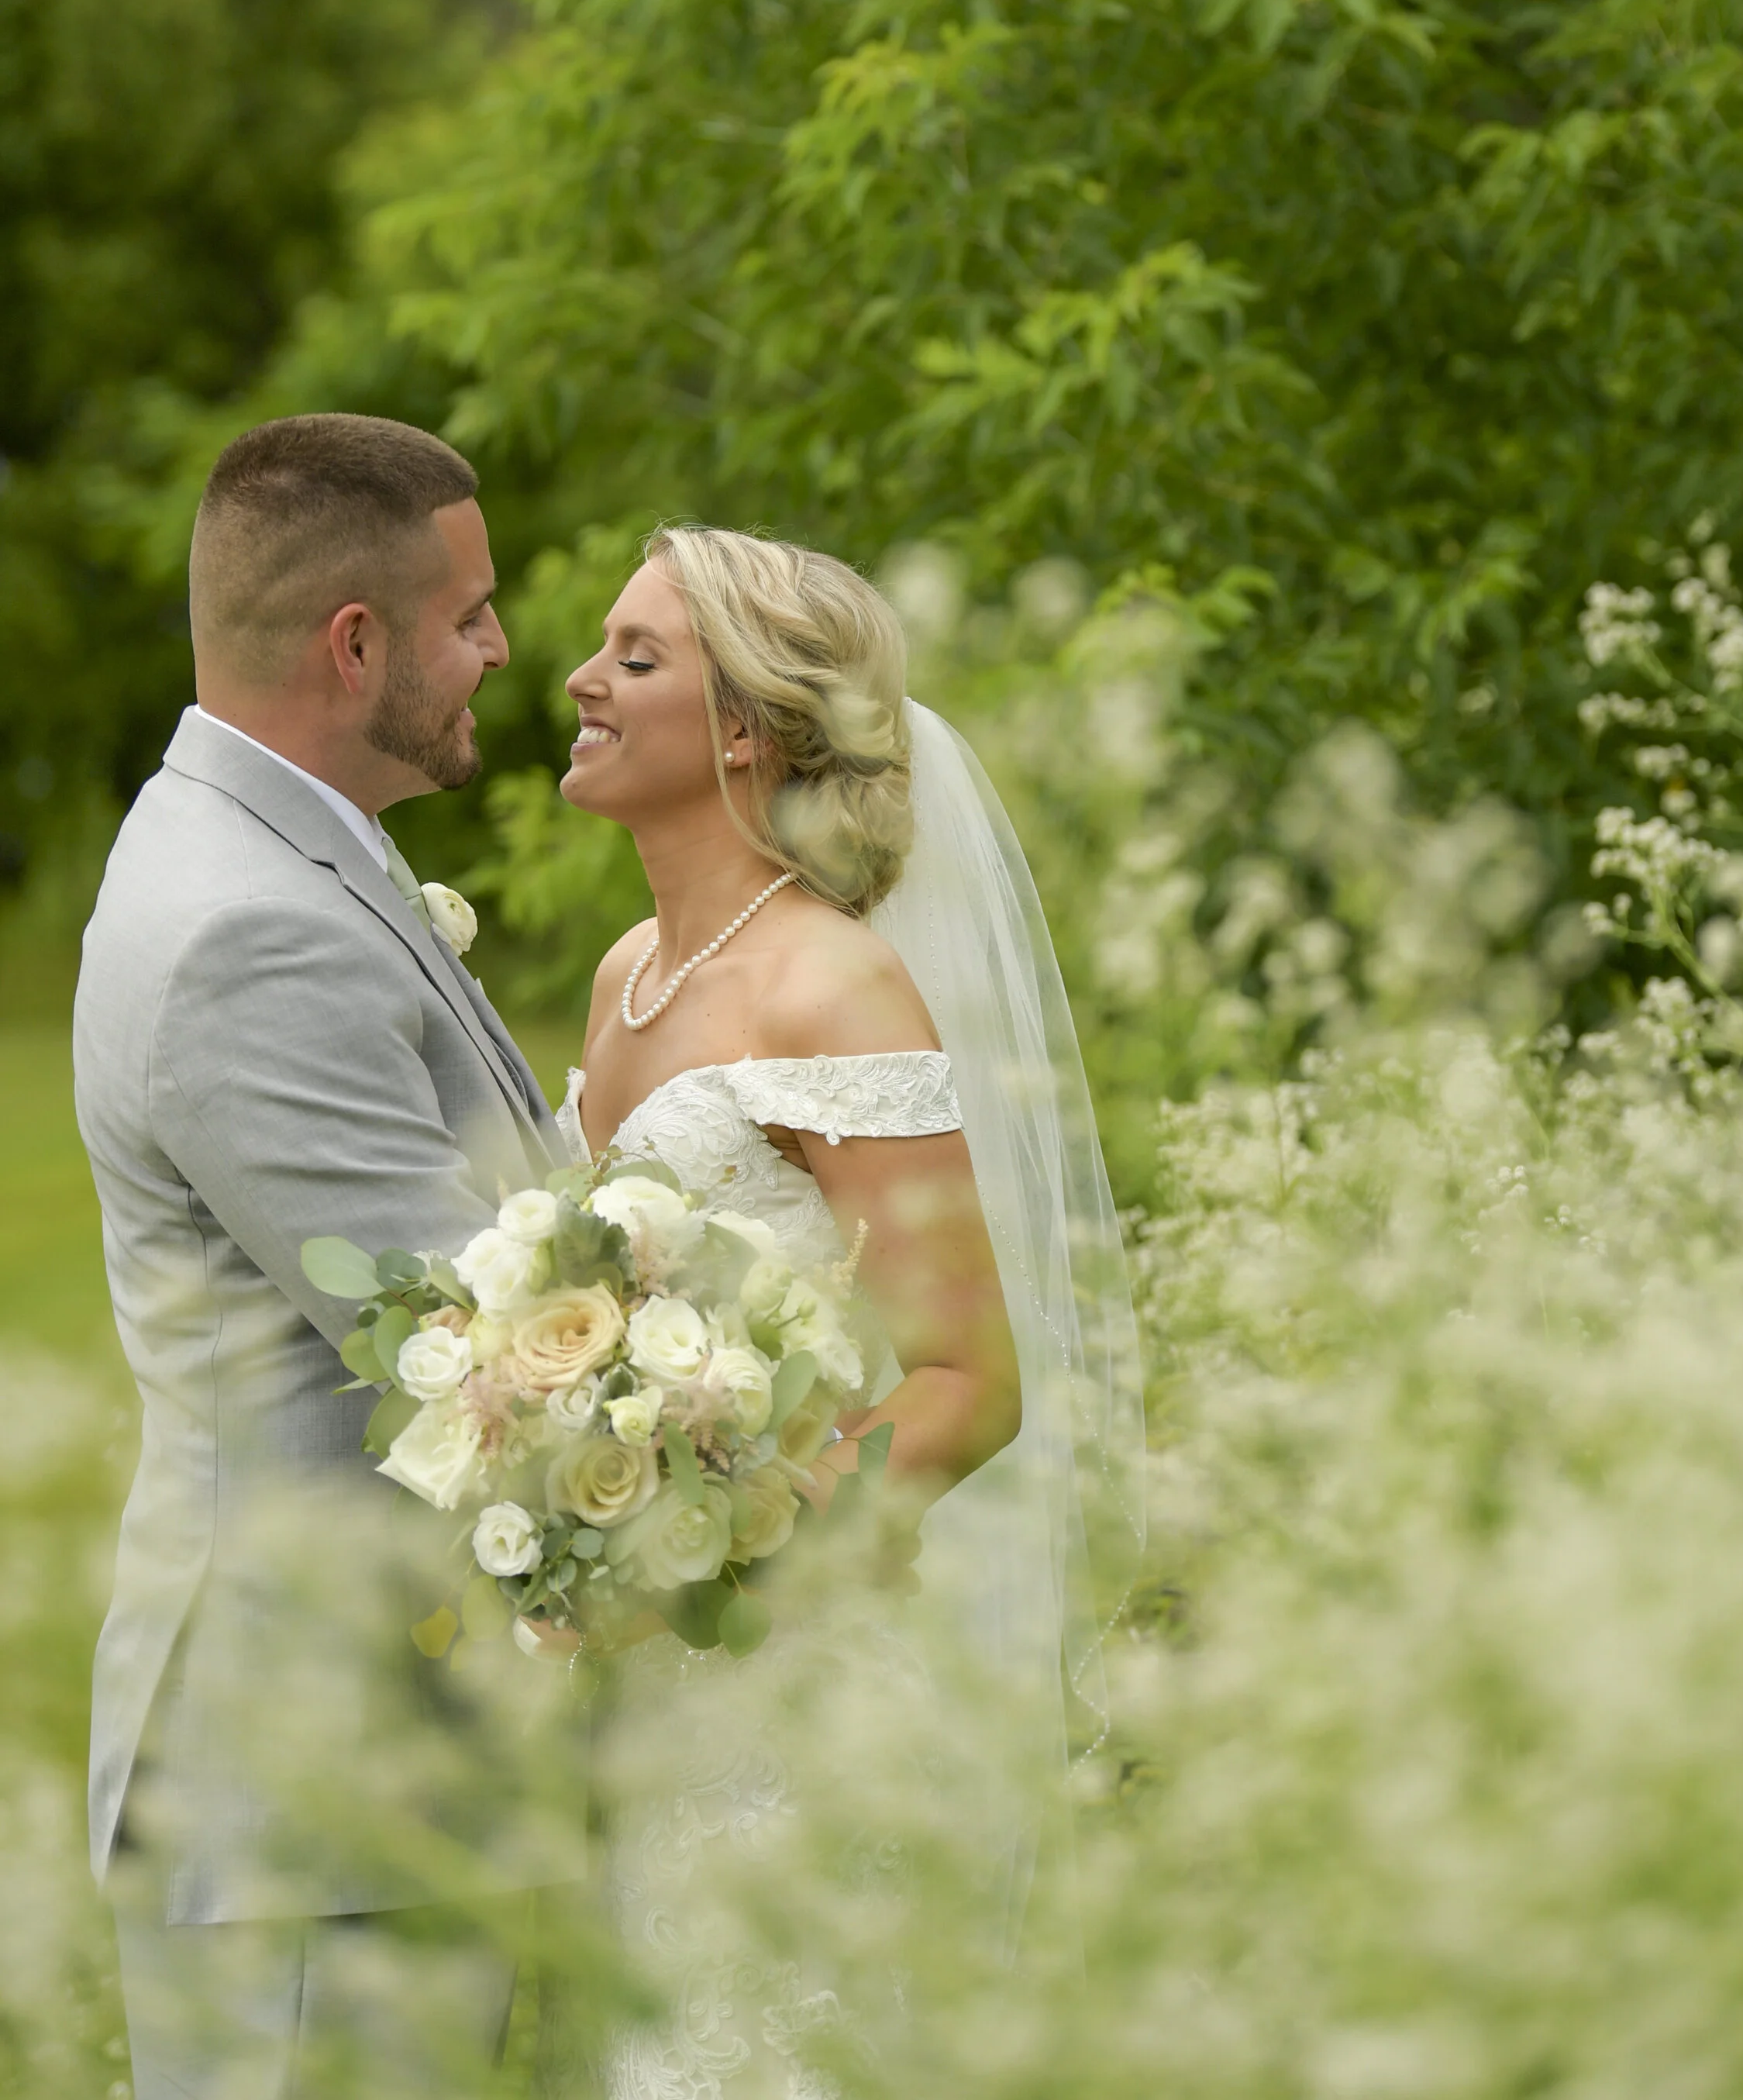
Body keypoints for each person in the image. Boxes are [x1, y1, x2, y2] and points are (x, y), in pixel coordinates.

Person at [556, 523, 1142, 2096]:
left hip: (790, 1674)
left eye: (633, 658)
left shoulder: (830, 983)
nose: (577, 682)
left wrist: (726, 1546)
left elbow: (968, 1373)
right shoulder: (624, 976)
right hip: (639, 1693)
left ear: (743, 726)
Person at [74, 413, 585, 2100]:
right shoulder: (245, 926)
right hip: (310, 1768)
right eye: (471, 614)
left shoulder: (297, 853)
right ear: (353, 644)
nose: (505, 649)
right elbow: (475, 1333)